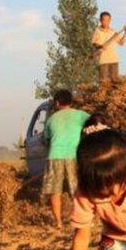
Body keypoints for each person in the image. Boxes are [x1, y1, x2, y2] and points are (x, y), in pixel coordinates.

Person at [42, 89, 90, 229]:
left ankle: (58, 223)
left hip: (54, 157)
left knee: (55, 191)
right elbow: (95, 122)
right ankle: (79, 219)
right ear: (71, 101)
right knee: (76, 190)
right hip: (73, 157)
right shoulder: (81, 115)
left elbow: (46, 139)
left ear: (57, 103)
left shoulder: (51, 119)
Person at [92, 11, 126, 82]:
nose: (106, 22)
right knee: (104, 82)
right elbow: (94, 44)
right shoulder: (97, 31)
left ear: (110, 21)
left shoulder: (113, 32)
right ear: (100, 20)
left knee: (115, 82)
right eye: (104, 20)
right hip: (103, 61)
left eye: (108, 20)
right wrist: (101, 46)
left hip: (113, 60)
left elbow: (121, 43)